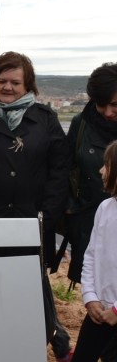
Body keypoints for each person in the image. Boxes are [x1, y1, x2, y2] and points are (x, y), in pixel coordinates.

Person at [0, 51, 72, 361]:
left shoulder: (45, 119)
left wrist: (46, 216)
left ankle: (34, 343)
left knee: (24, 298)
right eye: (1, 80)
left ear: (28, 85)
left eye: (15, 82)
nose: (7, 87)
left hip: (28, 224)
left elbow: (59, 170)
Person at [67, 63, 117, 285]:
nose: (107, 112)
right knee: (91, 280)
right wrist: (72, 207)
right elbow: (65, 166)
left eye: (115, 105)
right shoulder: (81, 124)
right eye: (101, 104)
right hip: (88, 220)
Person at [72, 141, 117, 362]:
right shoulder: (104, 208)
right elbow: (90, 256)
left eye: (107, 165)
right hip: (99, 312)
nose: (100, 170)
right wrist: (90, 297)